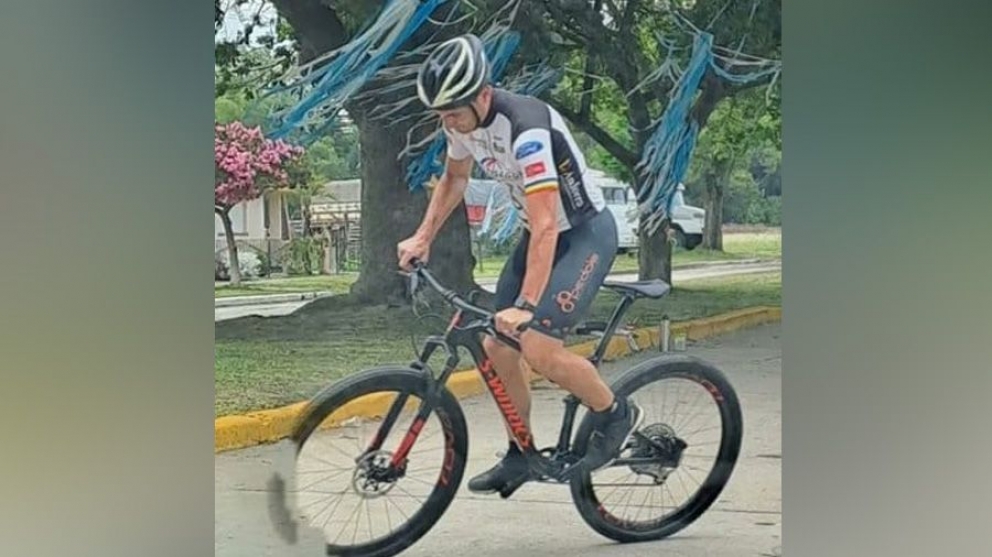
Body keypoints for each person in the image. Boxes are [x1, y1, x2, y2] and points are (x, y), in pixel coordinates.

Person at [397, 33, 643, 494]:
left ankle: (616, 414)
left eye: (453, 112)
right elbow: (455, 177)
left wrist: (528, 303)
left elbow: (548, 222)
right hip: (541, 233)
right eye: (440, 114)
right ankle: (522, 453)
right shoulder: (461, 123)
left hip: (584, 233)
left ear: (483, 94)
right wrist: (423, 236)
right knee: (497, 348)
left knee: (538, 346)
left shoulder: (527, 128)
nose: (447, 122)